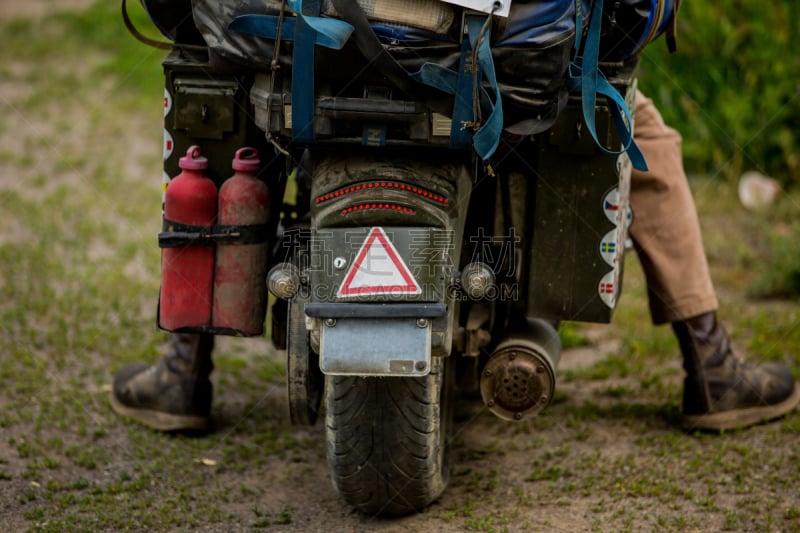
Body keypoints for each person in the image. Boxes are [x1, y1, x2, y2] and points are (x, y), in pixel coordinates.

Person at [110, 91, 800, 432]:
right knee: (639, 130)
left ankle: (184, 368)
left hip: (318, 45)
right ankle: (710, 367)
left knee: (219, 119)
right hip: (497, 55)